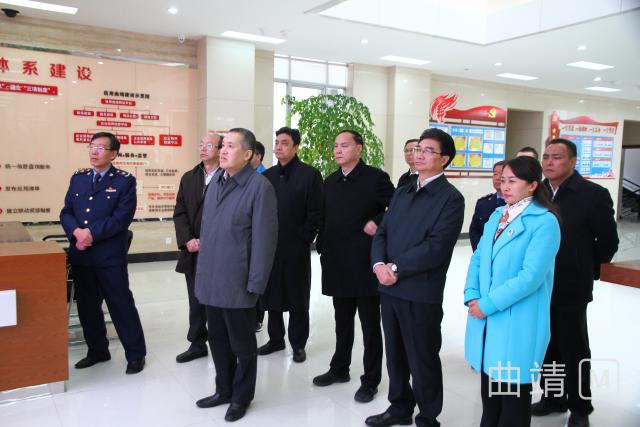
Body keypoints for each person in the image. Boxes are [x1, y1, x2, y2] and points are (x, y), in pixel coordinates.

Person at [367, 128, 464, 427]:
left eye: (428, 150)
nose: (419, 154)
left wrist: (395, 268)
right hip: (389, 288)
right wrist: (379, 264)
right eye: (417, 149)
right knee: (395, 355)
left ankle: (428, 416)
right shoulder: (403, 191)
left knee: (422, 357)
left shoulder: (450, 198)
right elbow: (382, 232)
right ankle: (399, 407)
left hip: (421, 292)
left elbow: (436, 247)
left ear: (444, 159)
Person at [464, 156, 561, 427]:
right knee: (490, 401)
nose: (504, 186)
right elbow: (479, 257)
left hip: (517, 320)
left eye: (513, 181)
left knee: (512, 404)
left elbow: (530, 277)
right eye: (502, 180)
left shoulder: (544, 222)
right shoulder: (498, 215)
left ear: (532, 185)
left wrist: (487, 304)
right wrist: (472, 293)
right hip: (487, 317)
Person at [532, 138, 618, 427]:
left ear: (572, 161)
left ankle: (580, 408)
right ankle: (553, 398)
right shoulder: (538, 192)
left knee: (574, 348)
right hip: (539, 284)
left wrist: (585, 269)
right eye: (546, 156)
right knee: (548, 345)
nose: (549, 162)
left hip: (571, 286)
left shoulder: (592, 194)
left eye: (556, 157)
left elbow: (608, 242)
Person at [194, 128, 278, 422]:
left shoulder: (260, 187)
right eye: (223, 146)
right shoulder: (217, 181)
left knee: (242, 346)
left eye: (231, 146)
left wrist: (256, 283)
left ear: (248, 154)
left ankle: (242, 397)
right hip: (212, 279)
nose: (224, 151)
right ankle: (224, 389)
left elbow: (265, 241)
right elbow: (208, 232)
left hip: (238, 281)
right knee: (217, 339)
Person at [313, 129, 395, 403]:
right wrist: (322, 244)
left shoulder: (375, 177)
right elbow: (324, 217)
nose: (338, 150)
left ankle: (371, 380)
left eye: (344, 145)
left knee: (370, 325)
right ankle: (340, 369)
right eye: (336, 146)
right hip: (337, 262)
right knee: (342, 321)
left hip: (365, 264)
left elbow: (397, 207)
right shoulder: (330, 181)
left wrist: (377, 222)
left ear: (359, 148)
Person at [60, 132, 146, 374]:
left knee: (120, 304)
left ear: (113, 154)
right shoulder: (78, 178)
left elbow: (121, 219)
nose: (94, 151)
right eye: (92, 146)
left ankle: (136, 354)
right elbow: (66, 212)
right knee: (87, 306)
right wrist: (76, 232)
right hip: (82, 254)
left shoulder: (124, 181)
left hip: (109, 256)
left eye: (100, 148)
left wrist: (90, 233)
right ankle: (97, 350)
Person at [258, 127, 323, 363]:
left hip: (296, 246)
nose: (278, 147)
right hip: (270, 246)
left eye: (284, 143)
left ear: (296, 147)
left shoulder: (310, 174)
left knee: (297, 297)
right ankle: (276, 339)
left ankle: (298, 344)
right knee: (272, 295)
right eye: (276, 142)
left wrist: (304, 237)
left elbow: (316, 211)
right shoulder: (267, 176)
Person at [173, 133, 222, 363]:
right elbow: (180, 212)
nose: (203, 148)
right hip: (192, 250)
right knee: (196, 300)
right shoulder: (189, 177)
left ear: (221, 149)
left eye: (209, 145)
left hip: (219, 251)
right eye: (201, 144)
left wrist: (207, 241)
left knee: (218, 301)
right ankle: (197, 343)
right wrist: (188, 240)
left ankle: (222, 343)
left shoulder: (228, 177)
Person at [469, 161, 506, 251]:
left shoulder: (517, 205)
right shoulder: (482, 203)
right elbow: (474, 230)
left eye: (501, 174)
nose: (497, 178)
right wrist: (481, 251)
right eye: (495, 174)